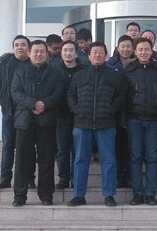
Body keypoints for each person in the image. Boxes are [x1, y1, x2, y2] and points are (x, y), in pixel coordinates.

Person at [68, 42, 127, 206]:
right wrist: (77, 110)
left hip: (106, 123)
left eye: (101, 52)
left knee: (109, 160)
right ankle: (79, 195)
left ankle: (109, 195)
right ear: (88, 56)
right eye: (94, 52)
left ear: (106, 55)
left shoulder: (114, 76)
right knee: (80, 160)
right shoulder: (79, 75)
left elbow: (121, 96)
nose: (97, 55)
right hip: (82, 124)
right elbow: (71, 95)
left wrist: (110, 109)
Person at [10, 40, 66, 207]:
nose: (39, 54)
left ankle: (46, 195)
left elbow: (59, 93)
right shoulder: (19, 72)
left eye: (42, 51)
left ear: (47, 54)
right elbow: (15, 92)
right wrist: (33, 104)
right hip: (24, 121)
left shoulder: (55, 73)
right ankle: (19, 195)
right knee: (22, 160)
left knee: (46, 159)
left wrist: (43, 105)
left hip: (46, 121)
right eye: (35, 51)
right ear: (29, 53)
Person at [124, 38, 157, 205]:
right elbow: (123, 98)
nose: (143, 52)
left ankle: (150, 193)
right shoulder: (128, 71)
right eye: (140, 49)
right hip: (134, 119)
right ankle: (137, 193)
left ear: (152, 51)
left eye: (146, 49)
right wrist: (123, 121)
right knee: (135, 157)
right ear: (135, 51)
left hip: (154, 121)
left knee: (152, 157)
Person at [0, 35, 31, 190]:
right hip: (9, 111)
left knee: (26, 146)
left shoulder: (32, 63)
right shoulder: (6, 64)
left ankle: (28, 178)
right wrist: (2, 99)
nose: (20, 47)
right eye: (17, 45)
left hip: (27, 112)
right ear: (13, 47)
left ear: (28, 47)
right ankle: (5, 177)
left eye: (23, 44)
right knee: (8, 145)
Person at [55, 40, 86, 189]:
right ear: (61, 53)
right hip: (60, 116)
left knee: (78, 150)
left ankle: (75, 178)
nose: (68, 53)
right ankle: (63, 178)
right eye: (65, 50)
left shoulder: (84, 70)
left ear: (76, 52)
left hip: (80, 116)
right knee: (62, 150)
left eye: (71, 50)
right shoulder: (55, 71)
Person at [106, 35, 135, 188]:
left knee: (131, 147)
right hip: (114, 113)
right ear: (118, 47)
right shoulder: (110, 65)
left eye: (128, 46)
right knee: (116, 146)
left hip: (133, 111)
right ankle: (119, 177)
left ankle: (130, 176)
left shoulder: (137, 65)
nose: (125, 49)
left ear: (133, 48)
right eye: (122, 46)